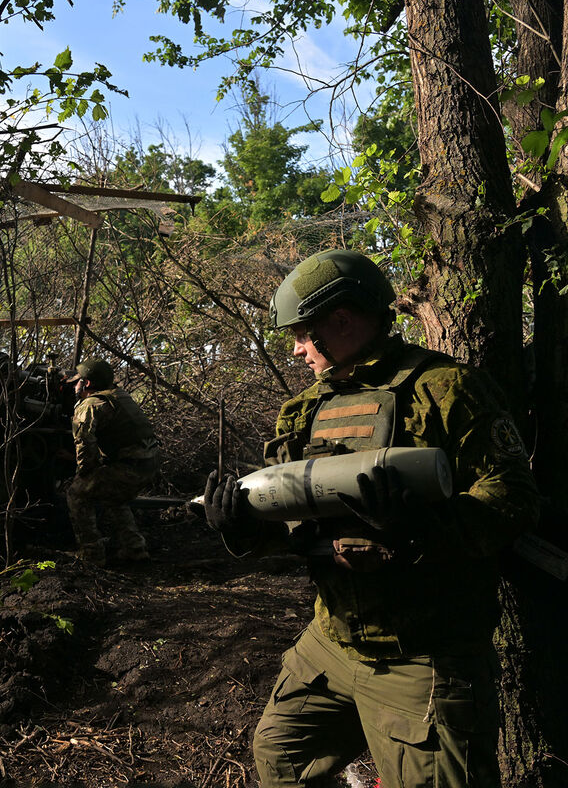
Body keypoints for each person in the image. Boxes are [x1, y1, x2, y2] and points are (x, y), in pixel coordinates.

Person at [203, 249, 539, 788]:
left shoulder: (445, 389)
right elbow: (295, 523)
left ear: (341, 320)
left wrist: (421, 530)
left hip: (424, 655)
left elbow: (515, 498)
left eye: (303, 333)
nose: (296, 349)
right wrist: (245, 530)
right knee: (280, 757)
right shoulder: (303, 410)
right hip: (332, 639)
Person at [65, 358, 159, 566]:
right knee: (112, 495)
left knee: (77, 493)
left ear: (87, 383)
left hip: (130, 469)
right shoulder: (119, 395)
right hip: (147, 465)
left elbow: (84, 444)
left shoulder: (90, 405)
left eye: (77, 381)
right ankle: (135, 548)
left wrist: (83, 472)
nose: (74, 385)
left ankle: (92, 554)